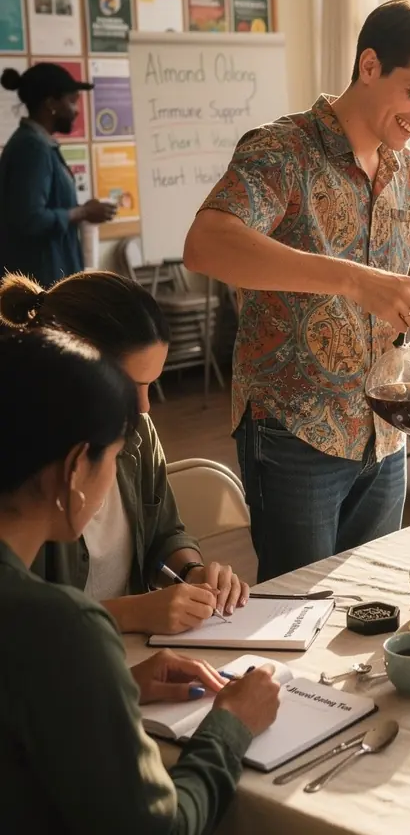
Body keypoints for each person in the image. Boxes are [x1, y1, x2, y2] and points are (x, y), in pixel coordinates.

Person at [183, 0, 410, 582]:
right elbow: (206, 244)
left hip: (386, 431)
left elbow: (409, 286)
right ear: (368, 66)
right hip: (295, 427)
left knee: (368, 604)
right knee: (298, 609)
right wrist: (352, 279)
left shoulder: (405, 170)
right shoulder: (283, 149)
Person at [0, 327, 280, 833]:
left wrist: (117, 684)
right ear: (72, 470)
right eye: (110, 458)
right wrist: (230, 727)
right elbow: (160, 827)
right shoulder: (61, 626)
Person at [0, 269, 248, 633]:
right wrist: (130, 613)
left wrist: (193, 575)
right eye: (132, 385)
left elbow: (164, 534)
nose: (145, 408)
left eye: (152, 385)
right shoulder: (23, 461)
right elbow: (20, 619)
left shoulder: (137, 431)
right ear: (73, 367)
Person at [0, 64, 116, 285]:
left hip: (47, 277)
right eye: (72, 101)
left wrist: (82, 210)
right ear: (51, 104)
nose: (76, 110)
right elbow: (31, 219)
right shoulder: (32, 148)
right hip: (39, 283)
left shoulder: (39, 144)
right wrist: (82, 212)